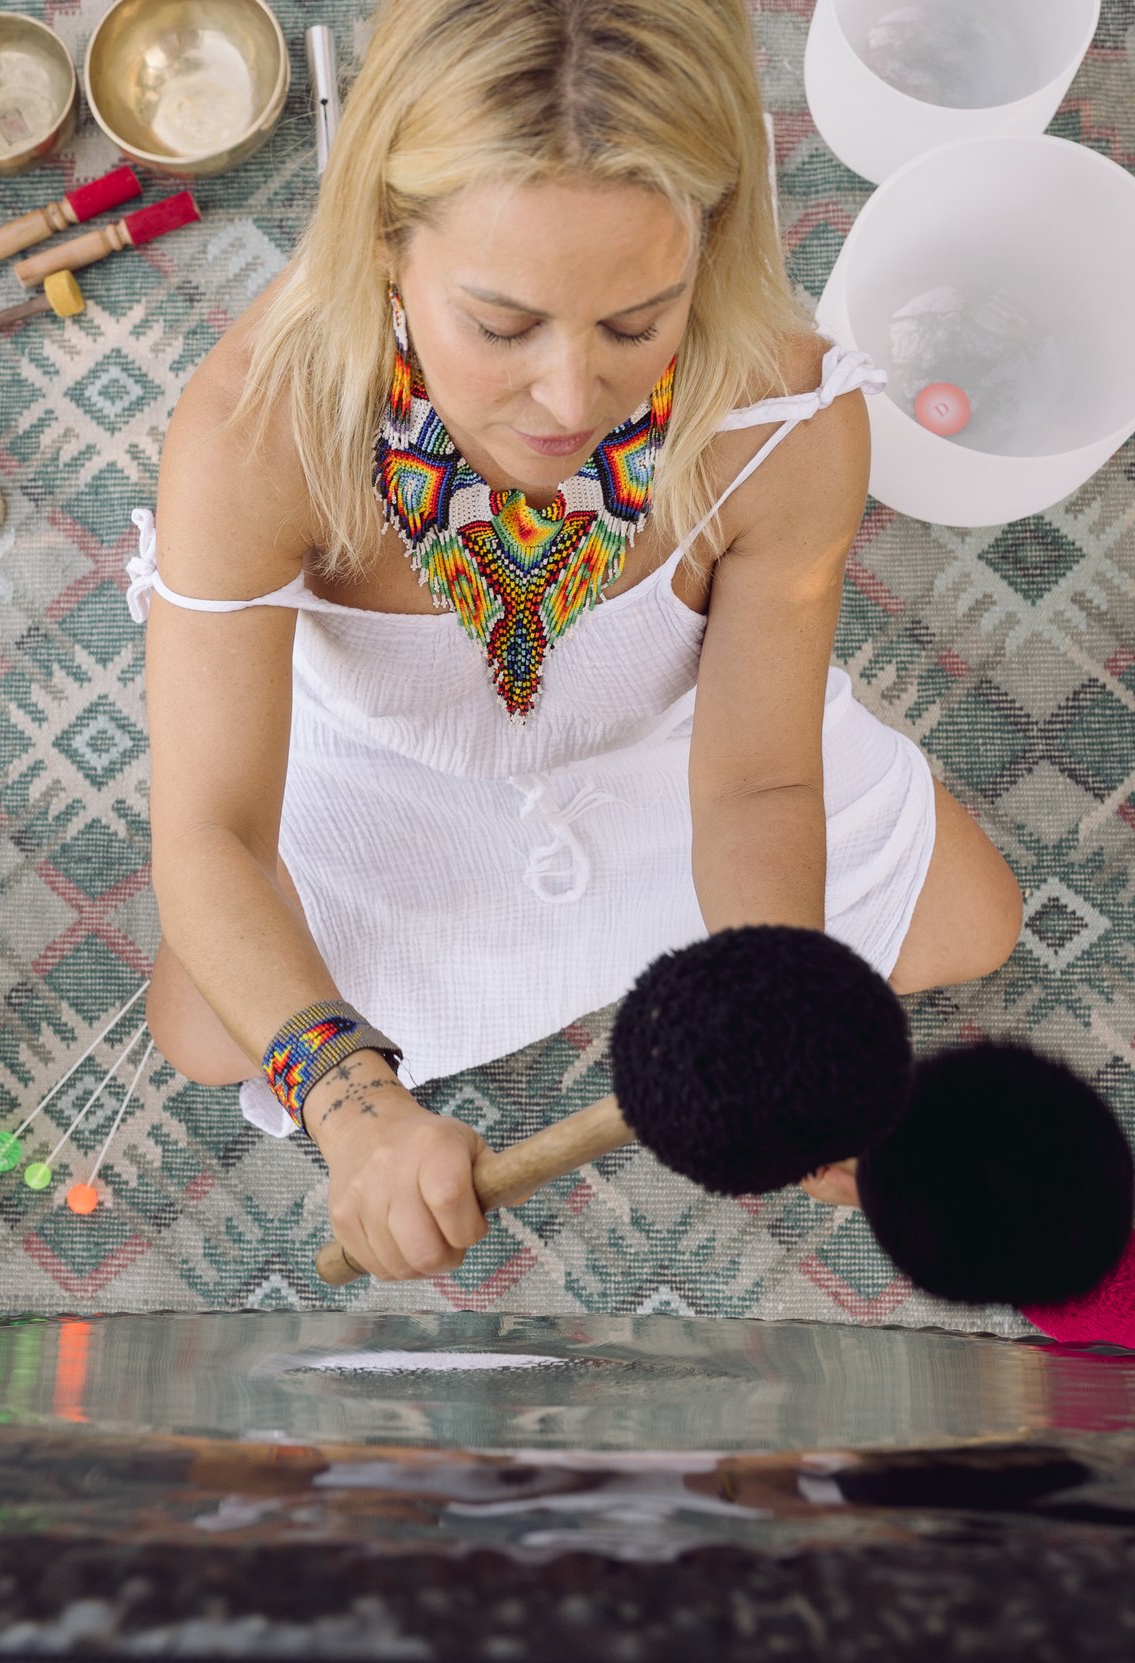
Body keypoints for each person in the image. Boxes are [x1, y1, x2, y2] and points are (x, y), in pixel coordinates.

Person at [129, 0, 1022, 1285]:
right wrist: (354, 1108)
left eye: (635, 324)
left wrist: (771, 1003)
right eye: (500, 328)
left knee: (972, 919)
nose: (567, 401)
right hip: (397, 774)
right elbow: (209, 831)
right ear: (385, 242)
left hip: (675, 753)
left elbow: (756, 780)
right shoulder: (253, 436)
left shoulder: (788, 414)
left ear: (710, 246)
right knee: (209, 1025)